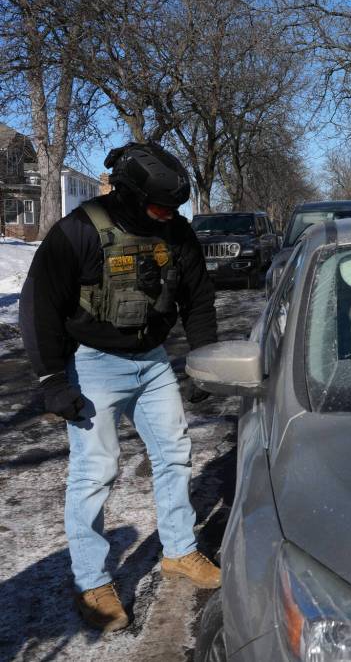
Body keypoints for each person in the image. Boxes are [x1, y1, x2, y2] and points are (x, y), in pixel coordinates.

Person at [18, 142, 221, 632]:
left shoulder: (175, 231)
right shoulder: (79, 231)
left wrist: (203, 363)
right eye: (157, 207)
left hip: (151, 363)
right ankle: (93, 583)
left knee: (175, 453)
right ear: (129, 195)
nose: (166, 215)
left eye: (174, 208)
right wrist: (51, 379)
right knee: (96, 472)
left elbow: (198, 299)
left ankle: (179, 551)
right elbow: (39, 305)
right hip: (92, 365)